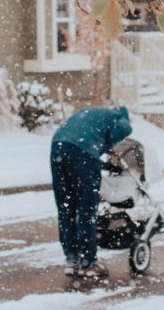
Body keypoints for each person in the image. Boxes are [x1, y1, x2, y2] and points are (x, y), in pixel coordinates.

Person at [49, 105, 133, 278]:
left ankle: (72, 260)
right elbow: (87, 154)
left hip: (58, 147)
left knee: (66, 207)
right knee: (86, 208)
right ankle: (87, 262)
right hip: (81, 153)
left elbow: (82, 152)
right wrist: (109, 150)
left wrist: (104, 164)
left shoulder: (93, 114)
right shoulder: (122, 121)